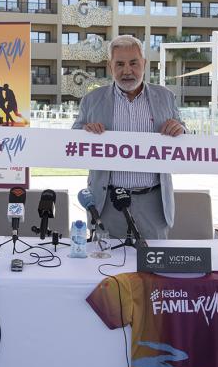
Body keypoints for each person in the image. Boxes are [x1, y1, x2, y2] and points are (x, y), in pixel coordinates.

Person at [72, 35, 185, 240]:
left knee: (152, 270)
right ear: (110, 66)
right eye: (120, 64)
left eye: (133, 63)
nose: (127, 71)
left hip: (154, 205)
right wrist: (85, 133)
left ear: (144, 63)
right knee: (104, 270)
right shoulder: (91, 100)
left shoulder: (166, 97)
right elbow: (72, 143)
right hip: (107, 204)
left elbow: (184, 134)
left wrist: (180, 130)